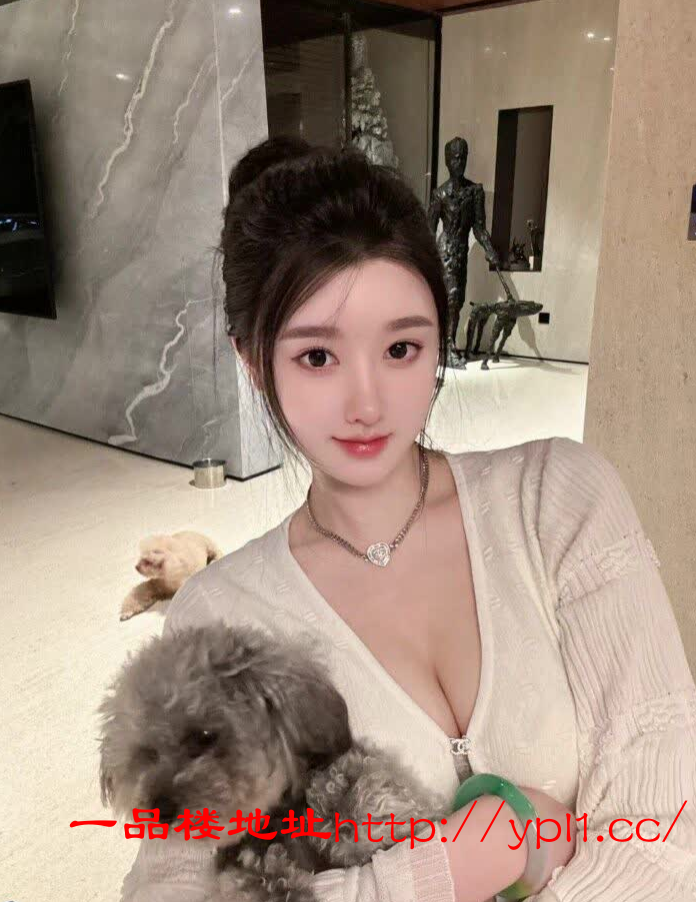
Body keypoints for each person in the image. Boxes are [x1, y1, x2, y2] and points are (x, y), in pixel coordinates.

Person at [119, 136, 696, 902]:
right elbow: (172, 890)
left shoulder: (559, 500)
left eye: (400, 348)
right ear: (253, 361)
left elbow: (668, 834)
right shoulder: (218, 619)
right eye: (317, 357)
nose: (368, 402)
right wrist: (457, 864)